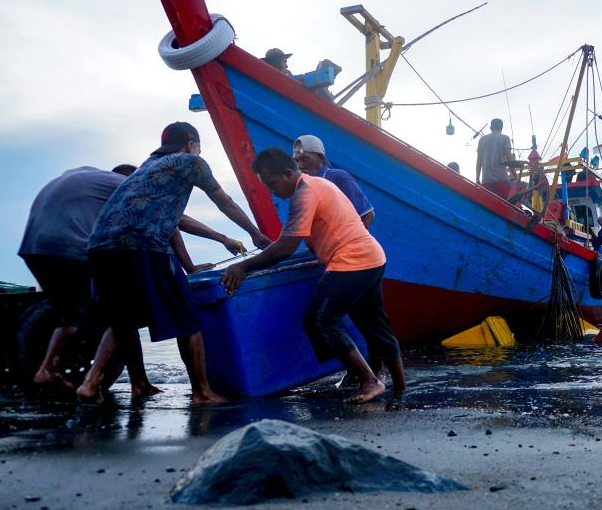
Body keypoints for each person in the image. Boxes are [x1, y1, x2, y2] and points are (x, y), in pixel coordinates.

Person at [76, 122, 272, 405]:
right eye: (199, 145)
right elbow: (224, 202)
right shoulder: (192, 162)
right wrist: (255, 233)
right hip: (142, 245)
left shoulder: (148, 165)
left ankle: (91, 383)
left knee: (123, 320)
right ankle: (202, 392)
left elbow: (171, 219)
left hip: (100, 247)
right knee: (187, 317)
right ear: (191, 142)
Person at [18, 164, 246, 391]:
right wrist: (219, 241)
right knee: (123, 315)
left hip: (34, 247)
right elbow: (175, 220)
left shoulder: (83, 179)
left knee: (76, 314)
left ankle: (57, 368)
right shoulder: (125, 187)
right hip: (73, 247)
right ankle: (99, 381)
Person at [221, 148, 405, 403]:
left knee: (319, 321)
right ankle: (400, 388)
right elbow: (304, 236)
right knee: (375, 324)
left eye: (272, 184)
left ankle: (369, 380)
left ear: (288, 174)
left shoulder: (304, 194)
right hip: (373, 258)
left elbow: (286, 247)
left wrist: (242, 267)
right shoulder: (318, 183)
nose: (273, 192)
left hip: (352, 261)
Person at [293, 135, 375, 228]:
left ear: (320, 157)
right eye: (296, 161)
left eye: (305, 159)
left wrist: (351, 241)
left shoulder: (338, 177)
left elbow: (367, 215)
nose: (300, 166)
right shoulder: (303, 188)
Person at [475, 118, 513, 199]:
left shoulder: (482, 140)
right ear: (501, 128)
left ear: (490, 128)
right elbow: (510, 159)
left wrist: (477, 179)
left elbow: (479, 160)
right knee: (507, 206)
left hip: (486, 181)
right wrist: (516, 177)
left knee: (487, 206)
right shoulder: (505, 138)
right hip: (501, 180)